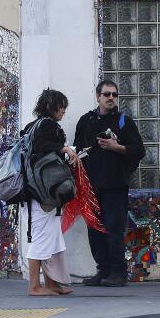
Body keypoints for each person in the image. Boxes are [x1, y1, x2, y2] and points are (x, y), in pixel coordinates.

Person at [74, 78, 144, 288]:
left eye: (114, 94)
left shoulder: (124, 121)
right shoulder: (86, 121)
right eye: (107, 94)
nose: (111, 98)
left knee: (114, 229)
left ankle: (118, 272)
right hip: (91, 186)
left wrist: (117, 147)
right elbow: (78, 150)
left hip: (115, 185)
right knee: (95, 230)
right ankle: (102, 270)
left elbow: (139, 151)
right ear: (98, 97)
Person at [23, 88, 77, 296]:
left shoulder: (31, 126)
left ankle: (53, 283)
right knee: (41, 238)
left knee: (52, 237)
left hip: (36, 191)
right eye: (60, 106)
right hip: (43, 194)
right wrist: (64, 149)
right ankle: (35, 286)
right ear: (50, 106)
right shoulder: (47, 126)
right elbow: (42, 147)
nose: (63, 110)